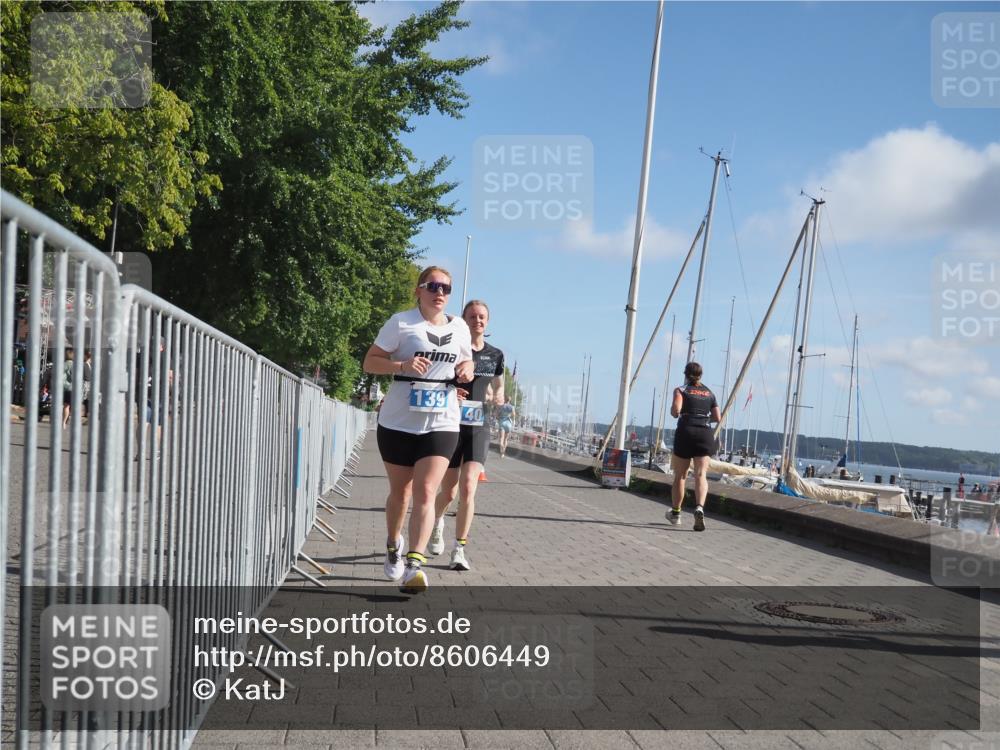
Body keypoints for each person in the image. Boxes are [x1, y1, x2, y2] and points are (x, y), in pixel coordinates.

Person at [363, 266, 473, 593]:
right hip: (398, 421)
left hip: (442, 420)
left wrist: (467, 367)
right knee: (402, 493)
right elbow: (369, 362)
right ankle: (393, 543)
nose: (440, 293)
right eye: (433, 286)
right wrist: (402, 365)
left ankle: (414, 565)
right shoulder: (401, 322)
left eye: (446, 288)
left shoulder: (460, 328)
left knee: (426, 491)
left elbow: (465, 362)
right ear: (419, 290)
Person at [428, 300, 505, 571]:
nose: (477, 320)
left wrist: (498, 395)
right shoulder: (452, 349)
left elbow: (499, 386)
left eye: (482, 316)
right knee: (448, 491)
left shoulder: (495, 354)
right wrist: (451, 394)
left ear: (488, 320)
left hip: (479, 426)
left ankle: (459, 549)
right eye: (472, 316)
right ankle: (437, 522)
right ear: (463, 319)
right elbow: (435, 380)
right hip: (451, 423)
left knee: (469, 487)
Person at [666, 361, 721, 531]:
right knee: (700, 474)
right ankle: (699, 508)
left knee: (680, 476)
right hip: (704, 433)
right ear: (700, 375)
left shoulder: (681, 390)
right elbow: (717, 417)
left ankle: (676, 513)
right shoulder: (709, 393)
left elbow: (676, 411)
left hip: (686, 432)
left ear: (685, 374)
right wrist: (703, 419)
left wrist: (676, 411)